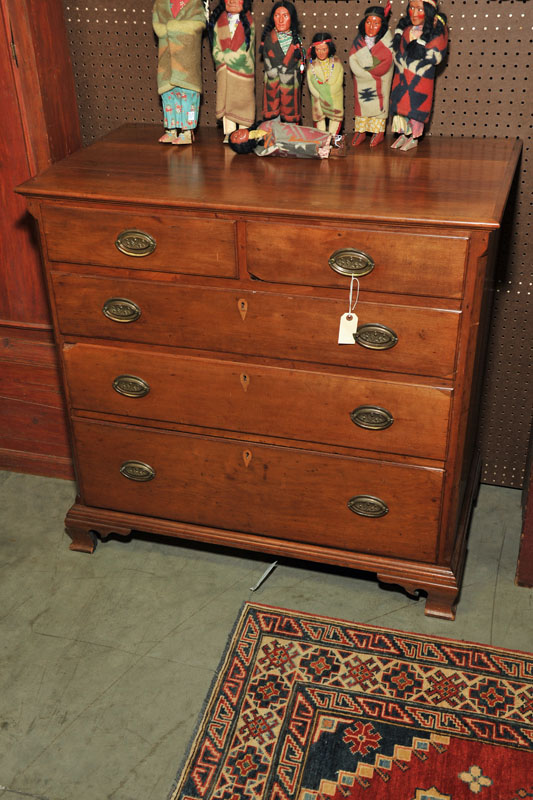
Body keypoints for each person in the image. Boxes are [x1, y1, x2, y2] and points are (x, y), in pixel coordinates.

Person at [389, 0, 448, 151]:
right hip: (401, 80)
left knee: (415, 110)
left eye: (419, 9)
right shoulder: (406, 29)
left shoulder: (435, 31)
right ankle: (404, 133)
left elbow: (436, 56)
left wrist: (415, 62)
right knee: (401, 110)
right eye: (412, 8)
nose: (414, 13)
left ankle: (414, 136)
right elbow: (397, 52)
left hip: (419, 82)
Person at [152, 0, 207, 145]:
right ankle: (171, 129)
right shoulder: (160, 4)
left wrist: (172, 27)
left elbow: (199, 23)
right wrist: (172, 30)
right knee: (169, 98)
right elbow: (158, 27)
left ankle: (187, 131)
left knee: (188, 99)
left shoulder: (195, 3)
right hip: (166, 63)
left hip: (187, 63)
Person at [209, 0, 256, 140]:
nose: (233, 1)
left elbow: (246, 51)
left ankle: (243, 131)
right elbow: (216, 48)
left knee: (243, 102)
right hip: (225, 72)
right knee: (227, 101)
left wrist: (226, 56)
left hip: (243, 73)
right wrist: (221, 57)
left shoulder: (249, 22)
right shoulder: (219, 23)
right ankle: (229, 132)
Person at [349, 4, 394, 147]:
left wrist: (369, 73)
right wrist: (363, 74)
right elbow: (353, 58)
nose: (371, 27)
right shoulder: (359, 41)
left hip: (380, 82)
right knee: (361, 104)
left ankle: (378, 132)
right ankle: (360, 130)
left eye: (376, 23)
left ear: (382, 25)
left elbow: (386, 62)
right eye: (368, 22)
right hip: (362, 82)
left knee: (379, 106)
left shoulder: (387, 43)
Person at [259, 1, 305, 124]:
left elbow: (301, 63)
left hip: (291, 87)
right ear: (272, 18)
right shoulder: (268, 39)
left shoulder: (296, 41)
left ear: (292, 18)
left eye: (285, 15)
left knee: (290, 121)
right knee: (273, 120)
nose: (280, 20)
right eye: (277, 15)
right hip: (272, 86)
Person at [228, 117, 341, 158]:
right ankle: (331, 152)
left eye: (236, 132)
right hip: (289, 141)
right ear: (243, 145)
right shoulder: (259, 149)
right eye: (236, 138)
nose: (238, 133)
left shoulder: (259, 125)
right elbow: (276, 148)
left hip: (293, 130)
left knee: (310, 133)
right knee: (307, 145)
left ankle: (334, 139)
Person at [306, 32, 344, 136]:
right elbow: (311, 84)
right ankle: (321, 138)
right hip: (318, 99)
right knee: (319, 118)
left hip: (335, 97)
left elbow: (339, 81)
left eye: (324, 49)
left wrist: (330, 92)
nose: (321, 52)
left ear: (329, 49)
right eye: (318, 49)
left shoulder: (336, 62)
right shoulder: (312, 65)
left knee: (336, 117)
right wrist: (320, 95)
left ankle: (332, 137)